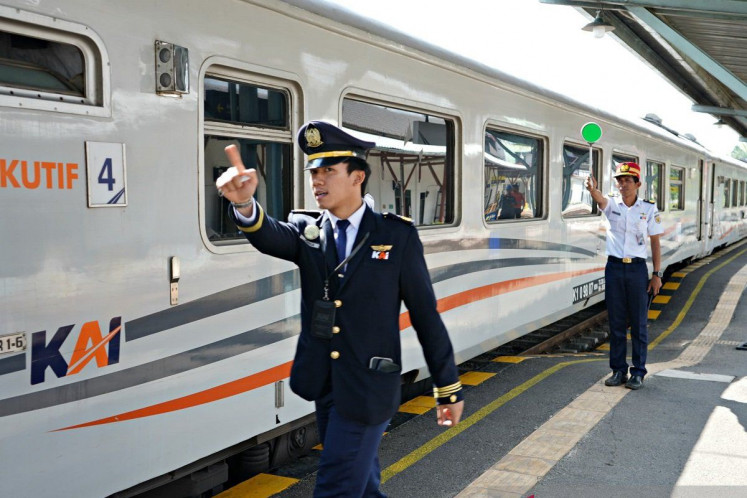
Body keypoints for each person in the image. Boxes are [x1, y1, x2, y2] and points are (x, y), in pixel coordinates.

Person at [216, 121, 464, 497]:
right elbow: (270, 236)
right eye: (314, 172)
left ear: (357, 177)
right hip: (325, 381)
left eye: (328, 171)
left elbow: (424, 314)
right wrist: (244, 204)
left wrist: (447, 387)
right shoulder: (307, 228)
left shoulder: (395, 235)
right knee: (362, 487)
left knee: (335, 487)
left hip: (368, 386)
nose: (318, 181)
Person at [585, 162, 663, 390]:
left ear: (638, 184)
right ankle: (618, 370)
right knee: (617, 322)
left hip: (637, 270)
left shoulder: (648, 209)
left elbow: (656, 243)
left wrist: (656, 273)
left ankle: (638, 372)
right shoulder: (612, 205)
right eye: (620, 180)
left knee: (639, 323)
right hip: (615, 269)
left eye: (628, 180)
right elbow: (600, 200)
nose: (623, 184)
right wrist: (592, 190)